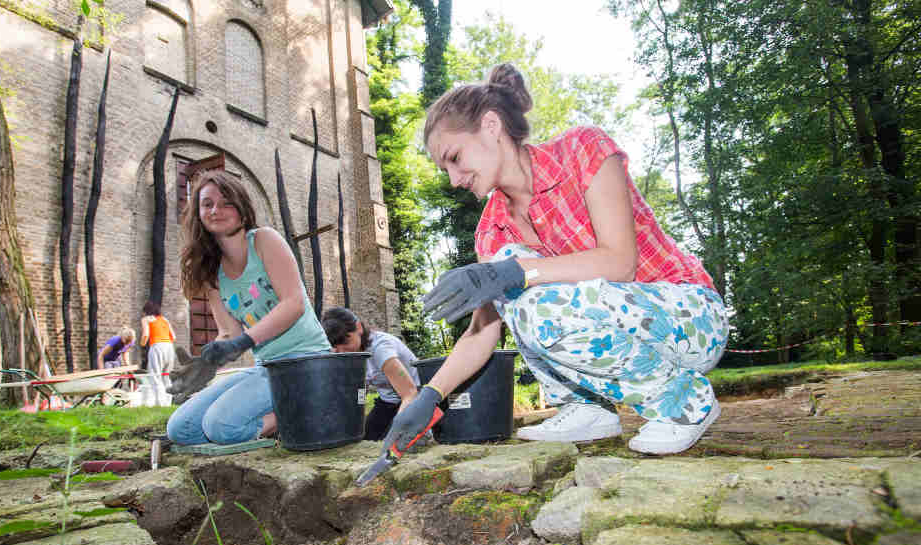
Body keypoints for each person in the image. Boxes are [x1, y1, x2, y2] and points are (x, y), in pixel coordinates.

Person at [384, 63, 729, 456]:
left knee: (518, 277)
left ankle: (684, 401)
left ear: (491, 126)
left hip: (689, 317)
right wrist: (429, 396)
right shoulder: (492, 231)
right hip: (615, 331)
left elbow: (620, 264)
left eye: (454, 157)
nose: (454, 178)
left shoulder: (582, 150)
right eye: (444, 168)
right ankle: (585, 406)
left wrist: (515, 272)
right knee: (510, 269)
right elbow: (482, 332)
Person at [166, 169, 331, 445]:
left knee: (219, 427)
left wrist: (242, 342)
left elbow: (293, 304)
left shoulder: (264, 240)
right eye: (207, 204)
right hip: (265, 367)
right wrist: (207, 362)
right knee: (181, 429)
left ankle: (301, 408)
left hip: (305, 361)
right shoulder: (212, 273)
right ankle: (276, 414)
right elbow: (229, 333)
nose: (216, 210)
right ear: (199, 213)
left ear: (242, 209)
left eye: (226, 202)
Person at [322, 307, 421, 441]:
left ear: (359, 328)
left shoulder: (381, 349)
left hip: (416, 398)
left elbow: (410, 393)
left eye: (345, 342)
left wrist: (397, 431)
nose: (341, 351)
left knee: (392, 439)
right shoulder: (352, 354)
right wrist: (356, 413)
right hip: (388, 401)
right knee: (363, 438)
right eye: (335, 346)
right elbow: (362, 390)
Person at [140, 300, 176, 407]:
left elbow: (146, 335)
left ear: (146, 311)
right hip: (169, 347)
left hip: (157, 346)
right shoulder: (164, 319)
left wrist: (142, 344)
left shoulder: (146, 319)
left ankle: (160, 403)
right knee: (166, 375)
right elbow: (173, 337)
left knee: (155, 375)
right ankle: (168, 402)